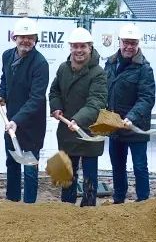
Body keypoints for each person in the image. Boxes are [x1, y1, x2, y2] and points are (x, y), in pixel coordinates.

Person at [0, 17, 49, 203]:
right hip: (11, 121)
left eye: (30, 37)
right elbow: (5, 80)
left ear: (35, 40)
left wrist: (17, 120)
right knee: (12, 163)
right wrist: (2, 95)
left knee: (30, 168)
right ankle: (13, 202)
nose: (26, 41)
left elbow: (36, 98)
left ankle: (29, 208)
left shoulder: (40, 63)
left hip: (31, 125)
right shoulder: (7, 56)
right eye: (22, 37)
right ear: (14, 38)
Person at [48, 27, 107, 207]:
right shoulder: (63, 69)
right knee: (68, 175)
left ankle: (88, 210)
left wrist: (78, 119)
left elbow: (96, 102)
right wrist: (56, 107)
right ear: (70, 48)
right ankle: (67, 208)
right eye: (75, 46)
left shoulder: (98, 73)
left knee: (90, 176)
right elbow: (54, 91)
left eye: (83, 46)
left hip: (88, 132)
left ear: (90, 47)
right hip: (67, 132)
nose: (79, 50)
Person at [103, 23, 155, 203]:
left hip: (135, 127)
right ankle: (119, 199)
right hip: (115, 127)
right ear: (119, 42)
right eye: (126, 42)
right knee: (117, 166)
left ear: (138, 44)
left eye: (133, 43)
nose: (129, 47)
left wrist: (131, 117)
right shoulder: (109, 63)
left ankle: (143, 201)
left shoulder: (144, 68)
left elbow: (146, 98)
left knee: (140, 167)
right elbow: (104, 92)